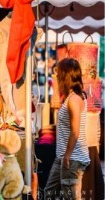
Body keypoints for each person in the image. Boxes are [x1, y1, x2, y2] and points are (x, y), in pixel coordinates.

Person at [44, 58, 90, 200]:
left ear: (65, 76)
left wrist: (67, 156)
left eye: (59, 74)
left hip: (72, 158)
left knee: (70, 197)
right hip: (63, 156)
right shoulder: (71, 96)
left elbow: (75, 131)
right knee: (49, 192)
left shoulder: (74, 99)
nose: (56, 76)